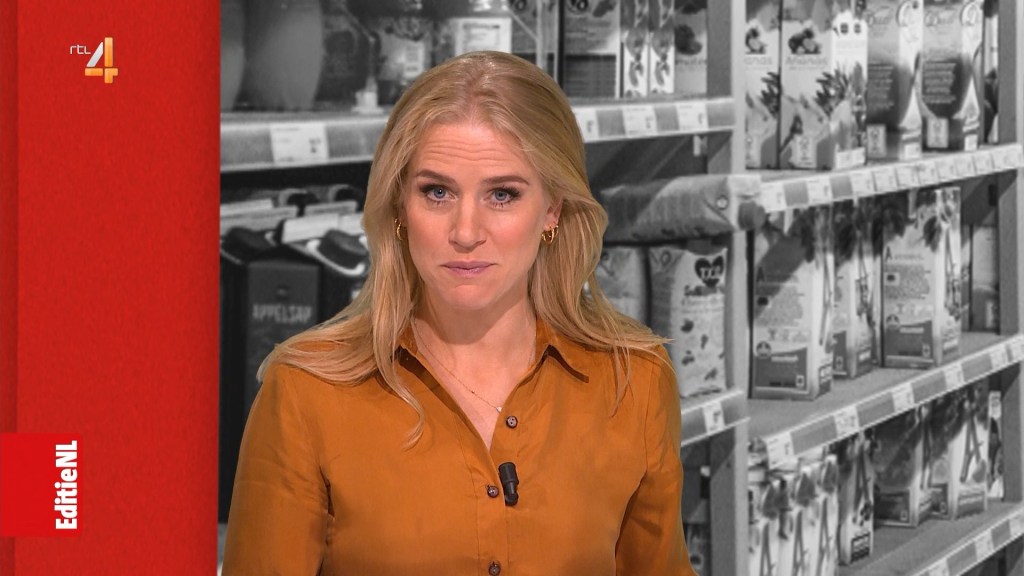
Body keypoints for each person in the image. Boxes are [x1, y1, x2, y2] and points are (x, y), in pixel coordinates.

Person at [222, 50, 696, 575]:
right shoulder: (306, 393)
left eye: (502, 194)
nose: (466, 232)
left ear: (552, 210)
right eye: (437, 192)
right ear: (400, 208)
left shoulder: (634, 383)